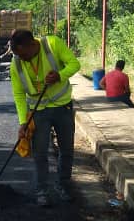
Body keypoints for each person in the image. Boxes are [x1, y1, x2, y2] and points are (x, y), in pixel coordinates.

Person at [9, 29, 81, 207]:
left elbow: (74, 64)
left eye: (23, 54)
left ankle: (63, 185)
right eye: (17, 54)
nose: (21, 58)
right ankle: (42, 191)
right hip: (38, 111)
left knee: (66, 150)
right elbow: (18, 94)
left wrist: (60, 75)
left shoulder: (53, 44)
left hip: (62, 107)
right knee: (40, 153)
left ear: (32, 45)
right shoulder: (16, 63)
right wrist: (23, 122)